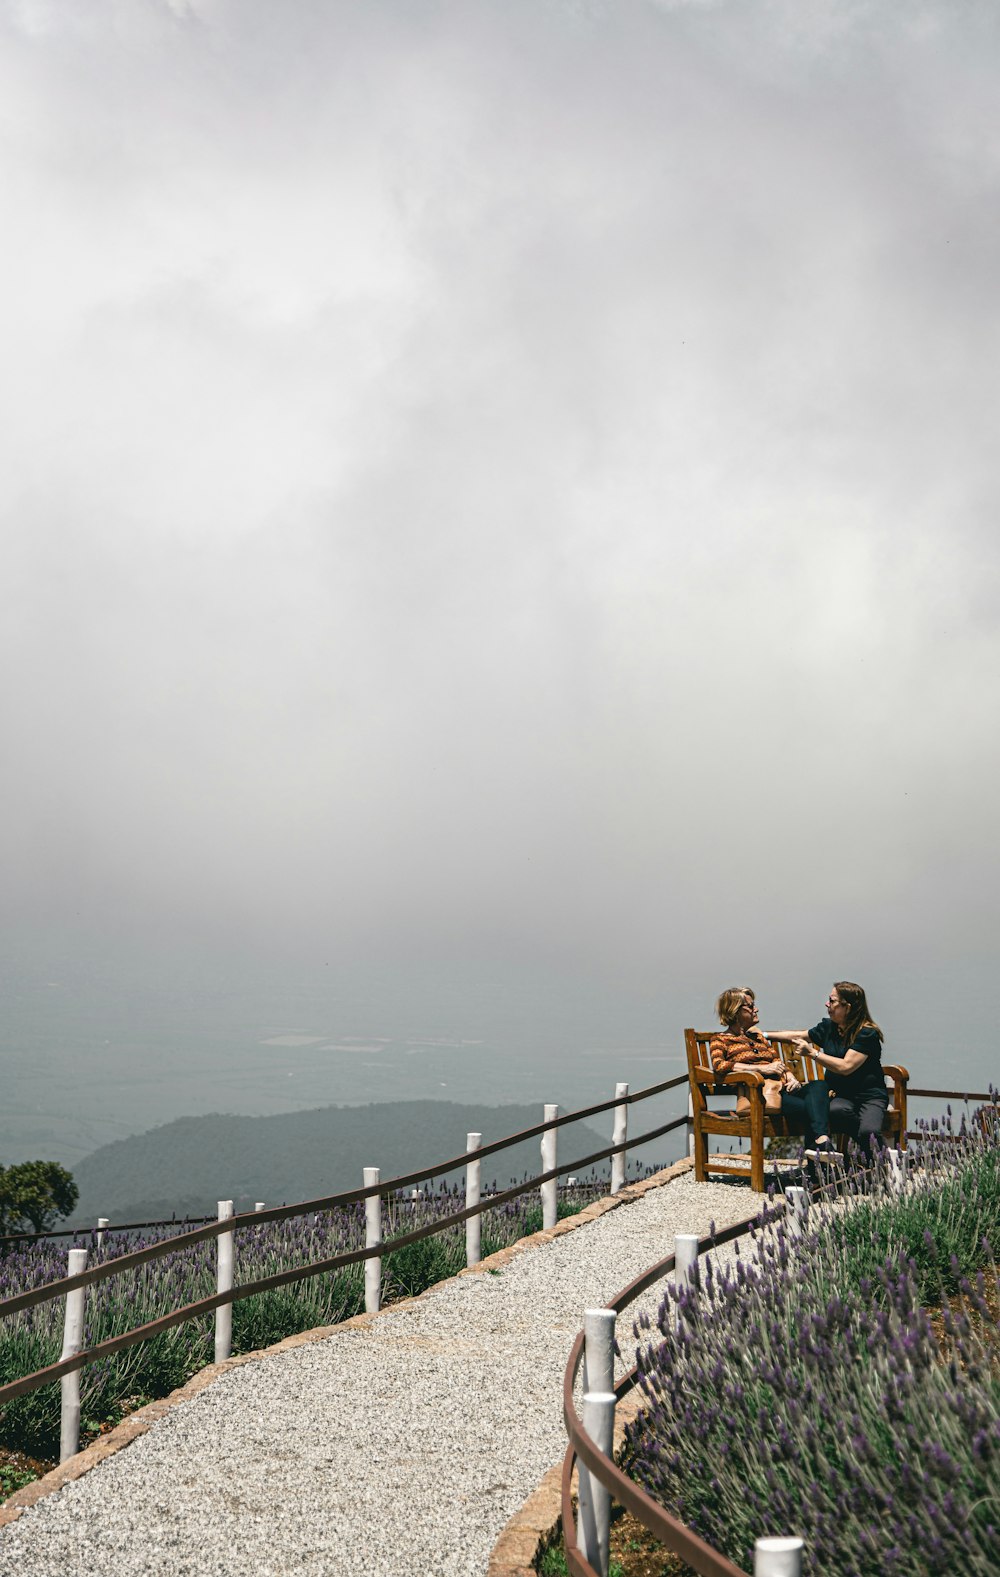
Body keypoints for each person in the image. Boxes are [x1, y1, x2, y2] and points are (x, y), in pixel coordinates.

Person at [710, 987, 831, 1149]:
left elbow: (777, 1061)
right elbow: (719, 1065)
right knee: (812, 1110)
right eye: (751, 1006)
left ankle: (820, 1148)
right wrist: (761, 1070)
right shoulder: (720, 1040)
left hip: (784, 1089)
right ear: (735, 1011)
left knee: (819, 1085)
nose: (756, 1009)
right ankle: (820, 1155)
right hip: (761, 1094)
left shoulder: (758, 1038)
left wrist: (791, 1077)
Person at [789, 981, 888, 1160]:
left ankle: (881, 1161)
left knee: (869, 1131)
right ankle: (871, 1161)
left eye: (832, 1001)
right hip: (841, 1096)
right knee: (835, 1111)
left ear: (847, 1007)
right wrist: (763, 1035)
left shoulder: (866, 1033)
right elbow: (798, 1035)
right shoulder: (829, 1028)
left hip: (870, 1096)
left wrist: (812, 1053)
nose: (827, 1004)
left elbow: (845, 1067)